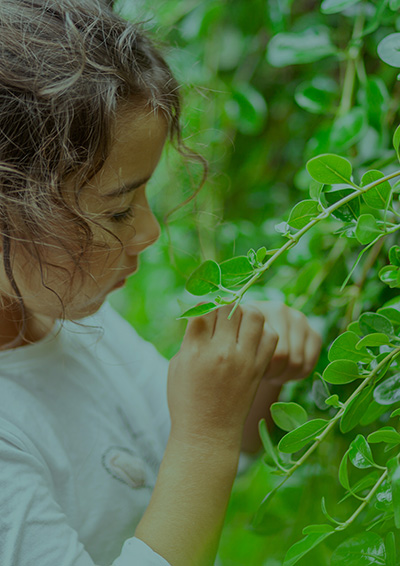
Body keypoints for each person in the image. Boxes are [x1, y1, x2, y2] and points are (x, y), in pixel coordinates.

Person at [0, 1, 322, 565]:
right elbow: (197, 451)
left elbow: (185, 469)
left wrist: (249, 383)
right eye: (120, 210)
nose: (149, 230)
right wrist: (206, 438)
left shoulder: (75, 317)